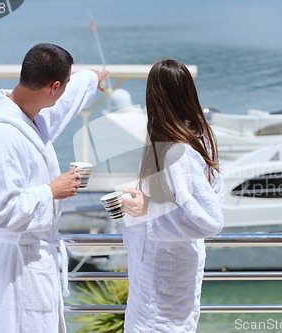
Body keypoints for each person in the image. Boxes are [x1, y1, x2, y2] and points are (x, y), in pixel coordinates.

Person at [0, 43, 110, 332]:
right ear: (53, 87)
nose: (66, 91)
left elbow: (63, 109)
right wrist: (51, 191)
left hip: (31, 262)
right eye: (65, 84)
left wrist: (91, 78)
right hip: (14, 268)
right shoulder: (1, 137)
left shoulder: (30, 117)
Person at [122, 59, 225, 333]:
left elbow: (210, 219)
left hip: (165, 274)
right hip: (164, 267)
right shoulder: (197, 137)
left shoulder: (179, 152)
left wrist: (148, 210)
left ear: (155, 98)